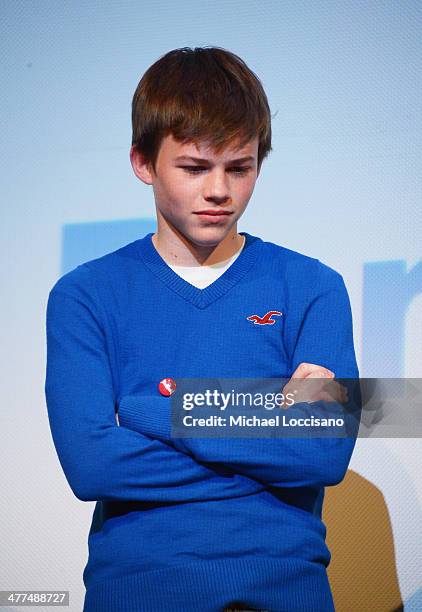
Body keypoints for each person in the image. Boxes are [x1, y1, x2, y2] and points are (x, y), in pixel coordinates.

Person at [44, 46, 360, 612]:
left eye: (239, 168)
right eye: (194, 168)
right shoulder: (84, 295)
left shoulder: (314, 287)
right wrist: (265, 431)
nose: (219, 190)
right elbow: (91, 466)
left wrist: (157, 413)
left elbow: (323, 455)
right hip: (135, 593)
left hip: (286, 593)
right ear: (143, 163)